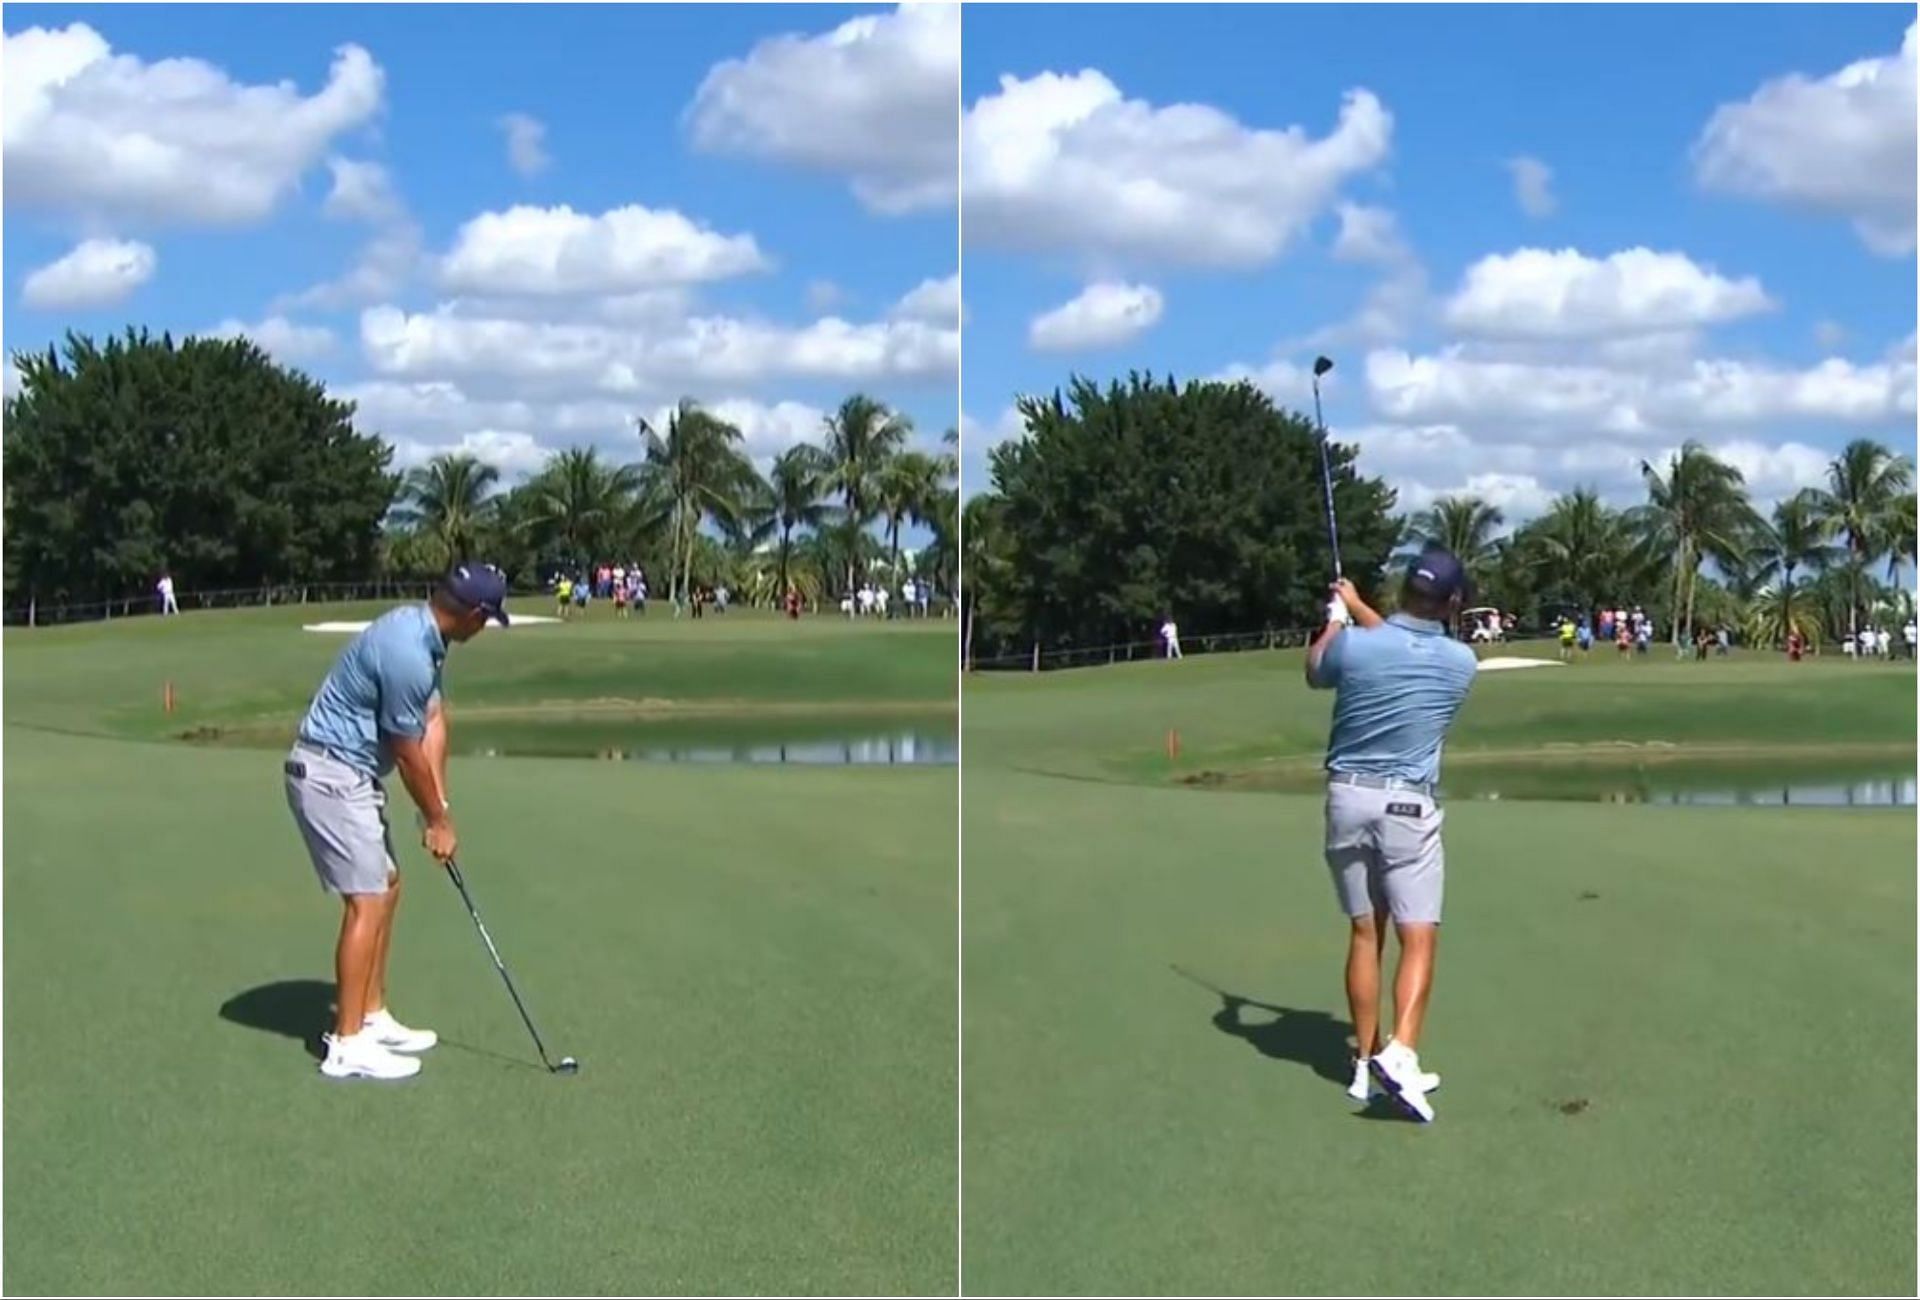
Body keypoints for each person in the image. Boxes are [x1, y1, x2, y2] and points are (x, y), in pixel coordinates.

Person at [283, 563, 509, 1080]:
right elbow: (407, 752)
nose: (486, 628)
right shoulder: (408, 651)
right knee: (367, 900)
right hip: (329, 773)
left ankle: (371, 1015)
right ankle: (346, 1044)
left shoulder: (426, 635)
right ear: (474, 614)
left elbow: (431, 721)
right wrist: (434, 819)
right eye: (489, 618)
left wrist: (439, 810)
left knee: (387, 885)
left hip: (351, 774)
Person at [1306, 549, 1477, 1123]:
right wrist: (1358, 609)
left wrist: (1339, 614)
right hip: (1408, 806)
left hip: (1347, 799)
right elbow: (1405, 649)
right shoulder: (1460, 662)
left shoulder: (1356, 646)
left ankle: (1364, 1062)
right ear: (1453, 603)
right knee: (1419, 936)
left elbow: (1317, 669)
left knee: (1363, 932)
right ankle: (1400, 1051)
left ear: (1404, 589)